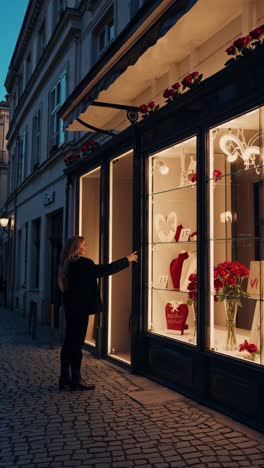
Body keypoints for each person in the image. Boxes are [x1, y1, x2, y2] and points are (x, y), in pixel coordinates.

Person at [58, 235, 138, 391]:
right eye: (84, 245)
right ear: (77, 248)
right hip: (81, 309)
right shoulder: (83, 263)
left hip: (70, 308)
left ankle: (64, 378)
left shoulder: (65, 264)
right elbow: (104, 270)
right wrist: (127, 259)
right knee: (77, 344)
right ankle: (76, 380)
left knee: (68, 342)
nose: (85, 247)